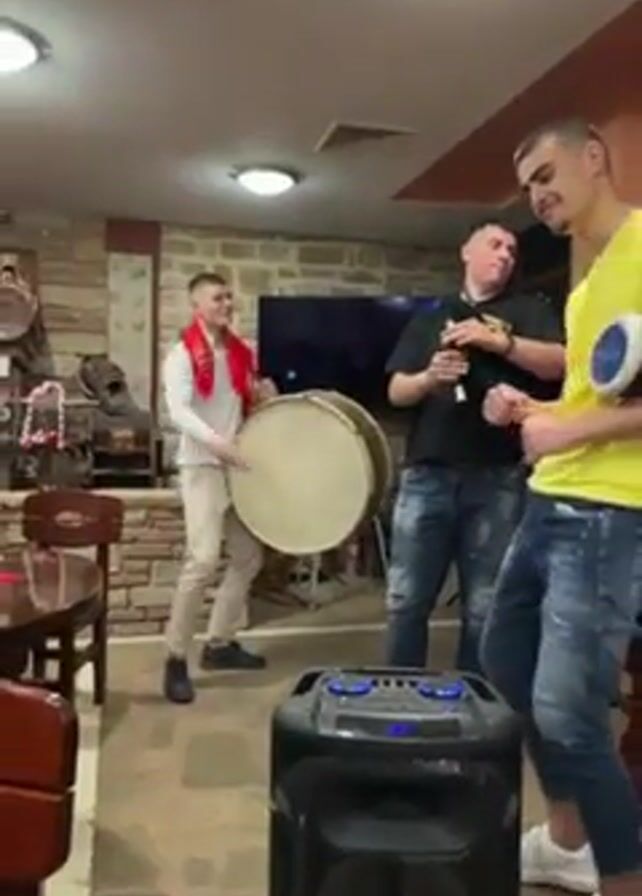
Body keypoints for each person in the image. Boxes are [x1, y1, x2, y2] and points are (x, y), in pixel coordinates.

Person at [482, 119, 642, 896]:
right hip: (549, 499)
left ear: (595, 158)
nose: (538, 196)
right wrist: (531, 407)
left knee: (571, 715)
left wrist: (564, 430)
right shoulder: (586, 289)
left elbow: (591, 421)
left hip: (612, 511)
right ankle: (568, 840)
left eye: (547, 175)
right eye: (528, 188)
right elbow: (593, 394)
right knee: (504, 661)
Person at [384, 222, 565, 672]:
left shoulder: (529, 310)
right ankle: (401, 693)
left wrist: (500, 342)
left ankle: (474, 702)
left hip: (498, 476)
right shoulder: (431, 317)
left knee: (485, 606)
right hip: (427, 473)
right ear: (467, 251)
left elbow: (559, 364)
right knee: (406, 600)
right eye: (495, 245)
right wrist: (429, 378)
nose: (505, 255)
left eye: (511, 250)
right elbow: (396, 391)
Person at [162, 272, 275, 704]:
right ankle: (175, 657)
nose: (226, 304)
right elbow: (179, 412)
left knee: (247, 557)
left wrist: (264, 396)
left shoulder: (240, 353)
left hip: (234, 466)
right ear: (196, 306)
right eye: (217, 298)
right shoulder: (181, 355)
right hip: (202, 466)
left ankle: (220, 643)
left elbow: (243, 403)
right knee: (203, 560)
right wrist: (218, 444)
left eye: (229, 297)